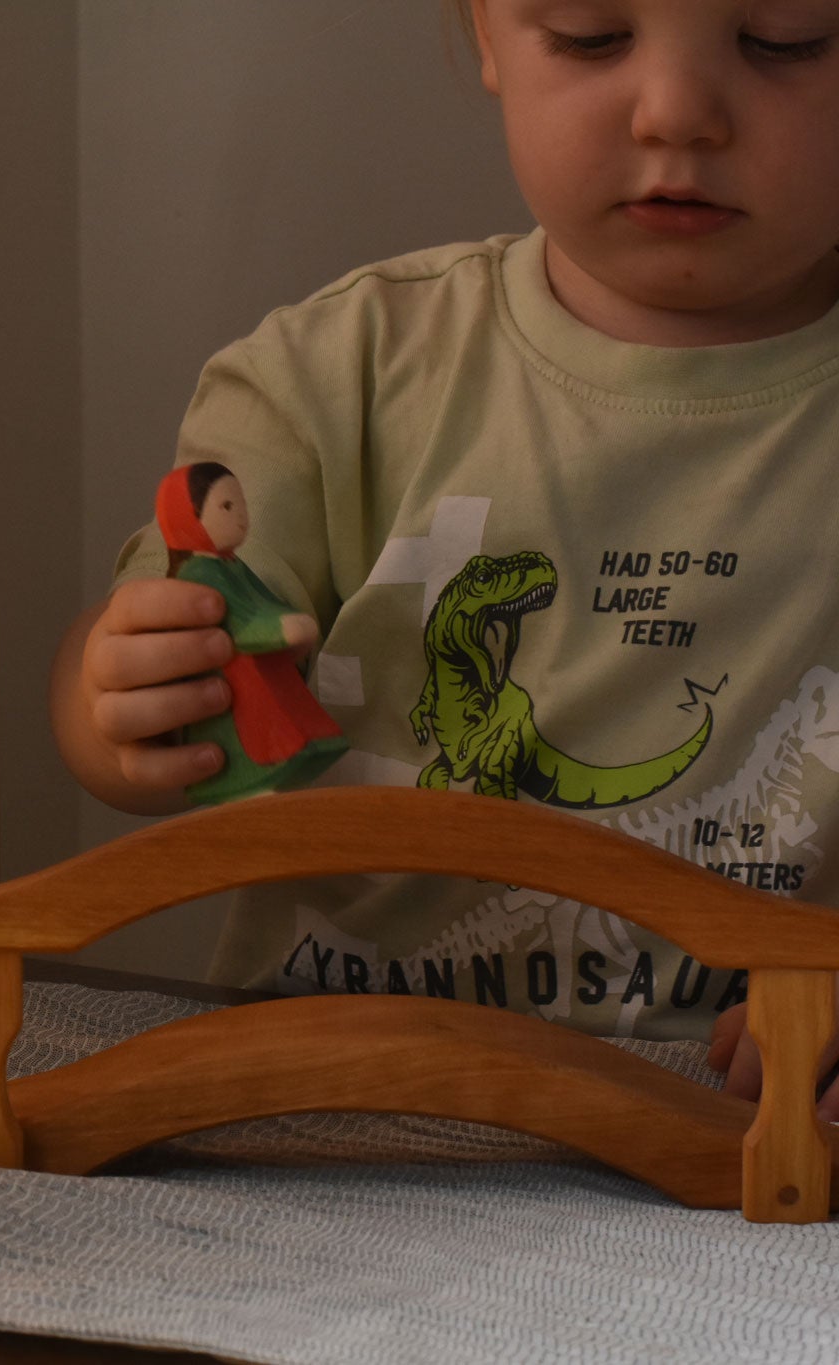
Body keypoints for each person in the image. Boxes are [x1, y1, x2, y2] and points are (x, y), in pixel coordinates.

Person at [51, 0, 839, 1115]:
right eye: (586, 33)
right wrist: (114, 701)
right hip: (336, 1094)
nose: (676, 114)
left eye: (785, 38)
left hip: (739, 1122)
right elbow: (132, 684)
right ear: (483, 32)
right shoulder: (335, 375)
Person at [156, 462, 348, 803]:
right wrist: (280, 627)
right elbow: (240, 620)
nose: (241, 516)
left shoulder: (230, 563)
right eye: (227, 506)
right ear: (189, 514)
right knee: (255, 735)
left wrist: (284, 622)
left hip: (260, 665)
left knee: (291, 723)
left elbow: (261, 601)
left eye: (241, 504)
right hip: (235, 676)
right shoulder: (200, 572)